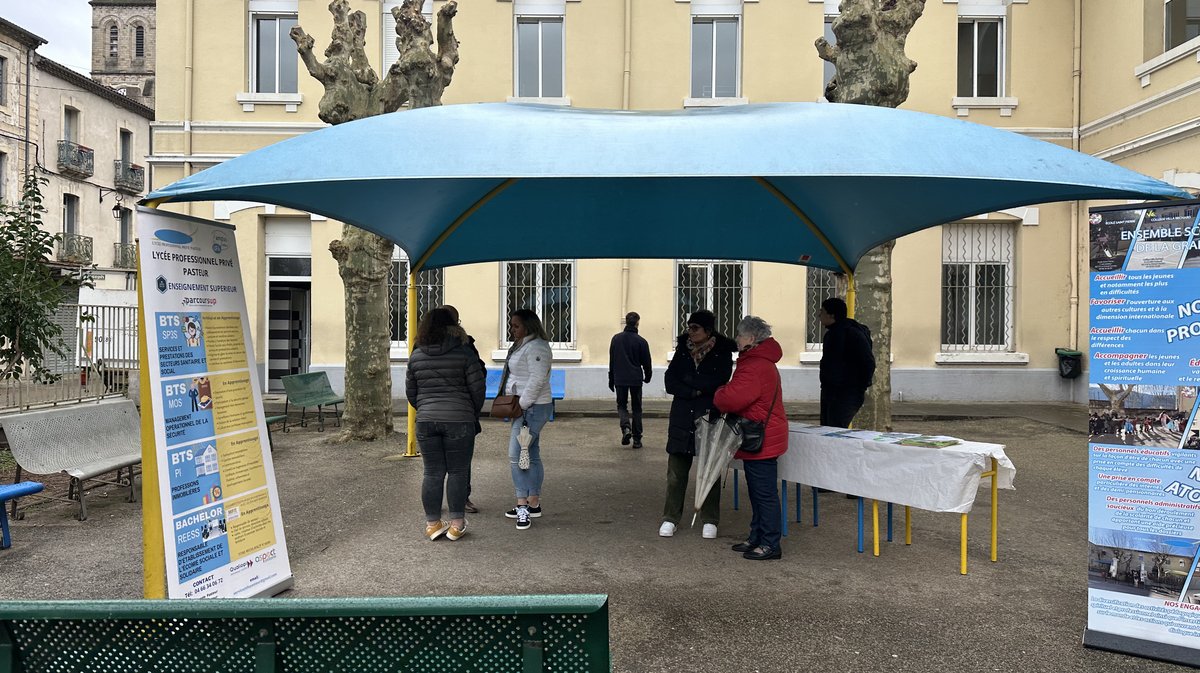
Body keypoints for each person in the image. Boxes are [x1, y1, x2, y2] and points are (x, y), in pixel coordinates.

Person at [405, 308, 486, 541]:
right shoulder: (464, 352)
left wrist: (427, 408)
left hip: (427, 421)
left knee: (432, 472)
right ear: (455, 326)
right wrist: (470, 411)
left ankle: (432, 524)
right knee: (458, 472)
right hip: (459, 419)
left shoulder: (417, 355)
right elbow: (477, 388)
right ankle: (456, 525)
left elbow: (412, 392)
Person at [715, 316, 788, 561]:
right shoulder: (758, 361)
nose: (736, 338)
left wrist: (719, 392)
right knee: (758, 492)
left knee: (764, 494)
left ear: (752, 338)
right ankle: (757, 537)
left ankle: (770, 543)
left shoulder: (755, 364)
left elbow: (731, 399)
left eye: (739, 334)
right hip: (762, 433)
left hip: (761, 437)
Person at [660, 309, 737, 540]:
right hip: (682, 417)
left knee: (709, 470)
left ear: (708, 331)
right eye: (689, 327)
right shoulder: (682, 350)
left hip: (709, 416)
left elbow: (720, 380)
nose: (690, 332)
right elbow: (669, 381)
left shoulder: (721, 352)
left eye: (695, 328)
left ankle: (710, 519)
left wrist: (691, 384)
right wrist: (695, 389)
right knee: (675, 472)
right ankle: (670, 518)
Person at [501, 309, 554, 531]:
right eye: (511, 325)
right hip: (527, 406)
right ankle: (533, 502)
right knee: (530, 453)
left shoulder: (536, 347)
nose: (512, 330)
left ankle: (522, 505)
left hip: (530, 407)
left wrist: (521, 405)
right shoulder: (524, 344)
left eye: (516, 326)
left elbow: (537, 379)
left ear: (528, 326)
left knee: (517, 454)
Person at [441, 304, 482, 514]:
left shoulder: (419, 346)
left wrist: (422, 407)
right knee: (461, 464)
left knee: (434, 468)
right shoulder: (466, 346)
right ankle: (461, 502)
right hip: (462, 414)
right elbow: (478, 378)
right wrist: (473, 410)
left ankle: (433, 505)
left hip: (431, 415)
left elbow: (412, 383)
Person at [818, 297, 874, 428]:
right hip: (831, 390)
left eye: (822, 312)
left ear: (832, 315)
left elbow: (868, 362)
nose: (819, 315)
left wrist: (859, 387)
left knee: (835, 429)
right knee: (827, 428)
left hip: (846, 393)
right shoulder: (832, 333)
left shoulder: (851, 333)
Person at [608, 311, 653, 449]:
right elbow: (647, 361)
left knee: (622, 406)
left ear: (626, 322)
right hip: (635, 378)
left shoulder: (616, 339)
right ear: (637, 323)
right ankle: (637, 439)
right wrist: (648, 375)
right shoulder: (641, 341)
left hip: (620, 378)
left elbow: (612, 361)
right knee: (637, 408)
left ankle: (626, 428)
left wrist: (611, 379)